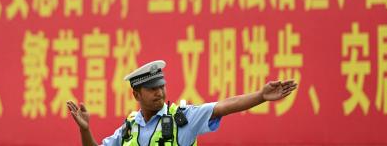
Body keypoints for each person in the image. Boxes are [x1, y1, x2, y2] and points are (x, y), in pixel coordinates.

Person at [67, 60, 297, 146]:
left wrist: (260, 95)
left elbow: (226, 105)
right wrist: (84, 130)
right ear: (137, 95)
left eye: (161, 86)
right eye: (152, 89)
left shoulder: (182, 119)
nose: (160, 92)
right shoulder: (129, 129)